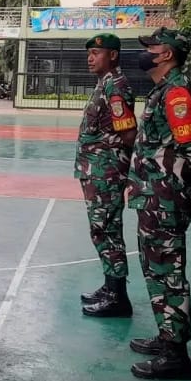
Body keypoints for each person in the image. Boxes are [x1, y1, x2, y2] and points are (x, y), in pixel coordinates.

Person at [126, 27, 191, 381]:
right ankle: (166, 335)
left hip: (166, 196)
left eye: (151, 47)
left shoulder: (177, 92)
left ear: (166, 54)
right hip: (155, 192)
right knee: (157, 269)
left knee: (167, 270)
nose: (145, 52)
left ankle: (175, 355)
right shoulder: (164, 89)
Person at [75, 34, 137, 318]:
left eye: (96, 52)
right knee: (101, 230)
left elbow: (128, 134)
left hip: (106, 172)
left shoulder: (115, 86)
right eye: (89, 53)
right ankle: (110, 286)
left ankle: (118, 298)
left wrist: (110, 162)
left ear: (112, 55)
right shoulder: (105, 83)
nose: (90, 58)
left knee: (107, 231)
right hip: (97, 171)